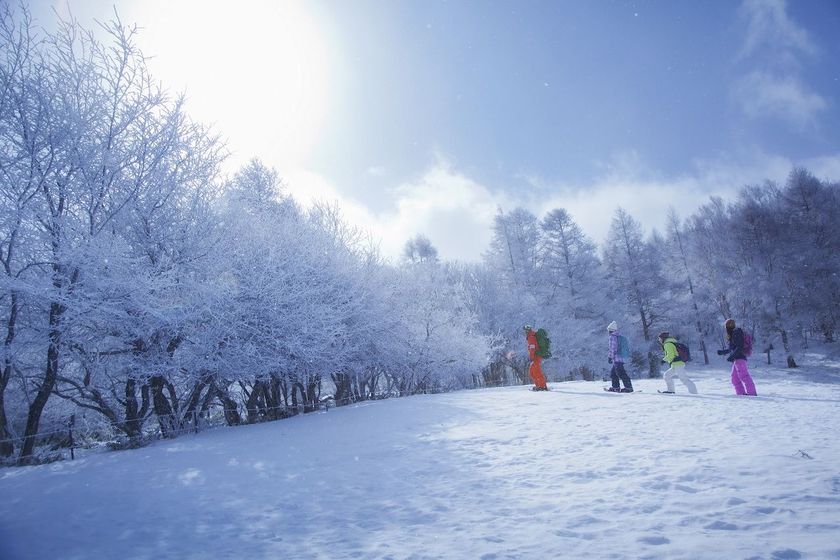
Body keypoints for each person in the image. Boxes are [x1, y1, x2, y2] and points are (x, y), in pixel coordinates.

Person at [717, 318, 757, 396]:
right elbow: (733, 348)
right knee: (734, 378)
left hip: (740, 358)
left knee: (744, 375)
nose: (726, 328)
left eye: (726, 326)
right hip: (737, 358)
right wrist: (723, 352)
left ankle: (752, 394)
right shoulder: (733, 334)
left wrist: (732, 356)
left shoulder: (736, 332)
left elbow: (740, 346)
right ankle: (741, 394)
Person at [606, 321, 633, 392]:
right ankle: (616, 387)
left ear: (610, 330)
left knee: (621, 373)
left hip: (617, 358)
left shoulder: (612, 337)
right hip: (621, 358)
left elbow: (613, 348)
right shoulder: (618, 336)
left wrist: (610, 357)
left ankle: (628, 387)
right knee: (613, 373)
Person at [524, 325, 548, 391]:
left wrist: (531, 357)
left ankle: (542, 386)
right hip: (535, 356)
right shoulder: (531, 335)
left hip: (535, 356)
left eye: (526, 330)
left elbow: (532, 347)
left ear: (528, 330)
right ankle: (539, 386)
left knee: (536, 372)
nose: (525, 331)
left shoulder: (531, 336)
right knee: (532, 372)